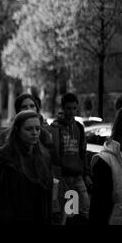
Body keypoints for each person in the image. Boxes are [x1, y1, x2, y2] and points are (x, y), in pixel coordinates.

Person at [0, 110, 53, 224]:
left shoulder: (44, 157)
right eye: (29, 129)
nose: (34, 133)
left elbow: (47, 196)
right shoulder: (1, 157)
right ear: (17, 130)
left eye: (37, 129)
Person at [49, 92, 91, 224]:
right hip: (63, 176)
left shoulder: (79, 127)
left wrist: (87, 173)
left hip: (78, 175)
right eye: (68, 108)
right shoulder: (55, 127)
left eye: (74, 108)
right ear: (63, 107)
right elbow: (52, 152)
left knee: (84, 207)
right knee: (66, 212)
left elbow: (82, 151)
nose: (71, 111)